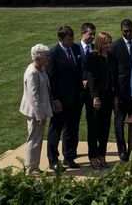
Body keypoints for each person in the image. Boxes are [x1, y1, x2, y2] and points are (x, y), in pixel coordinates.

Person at [46, 25, 83, 171]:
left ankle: (69, 156)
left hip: (75, 98)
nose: (72, 41)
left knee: (72, 129)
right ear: (60, 39)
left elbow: (78, 71)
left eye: (72, 38)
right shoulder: (53, 54)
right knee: (56, 129)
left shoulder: (75, 49)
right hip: (60, 100)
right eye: (69, 39)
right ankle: (53, 159)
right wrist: (55, 99)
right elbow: (51, 78)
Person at [19, 44, 53, 175]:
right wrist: (39, 115)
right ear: (38, 58)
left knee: (37, 140)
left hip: (40, 110)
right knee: (33, 140)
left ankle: (35, 166)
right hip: (34, 112)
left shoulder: (40, 68)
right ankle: (30, 169)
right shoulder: (32, 73)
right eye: (46, 57)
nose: (48, 59)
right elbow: (33, 97)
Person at [86, 31, 117, 169]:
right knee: (94, 128)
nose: (108, 45)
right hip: (95, 98)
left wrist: (115, 96)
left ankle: (102, 156)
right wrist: (95, 97)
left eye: (109, 42)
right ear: (99, 43)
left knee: (105, 128)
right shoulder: (92, 57)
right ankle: (93, 157)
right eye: (105, 43)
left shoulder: (111, 57)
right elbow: (91, 79)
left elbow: (114, 78)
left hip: (108, 97)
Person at [112, 18, 132, 162]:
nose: (129, 33)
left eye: (131, 30)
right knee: (119, 121)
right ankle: (122, 150)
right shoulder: (115, 46)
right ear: (121, 30)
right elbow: (113, 72)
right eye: (126, 31)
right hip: (121, 92)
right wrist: (116, 94)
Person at [77, 22, 96, 160]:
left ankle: (92, 152)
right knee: (73, 123)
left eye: (94, 33)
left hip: (92, 92)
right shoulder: (75, 49)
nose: (93, 36)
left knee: (92, 122)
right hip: (77, 91)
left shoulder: (95, 49)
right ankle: (70, 154)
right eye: (90, 33)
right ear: (82, 34)